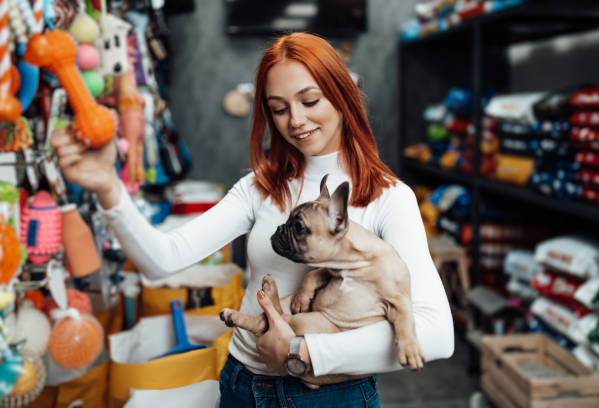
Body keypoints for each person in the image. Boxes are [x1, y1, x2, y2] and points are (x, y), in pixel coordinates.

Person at [51, 32, 454, 407]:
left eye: (310, 101)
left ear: (343, 96)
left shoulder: (388, 198)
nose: (295, 120)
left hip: (331, 395)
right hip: (242, 385)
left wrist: (306, 353)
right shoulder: (259, 188)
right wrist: (108, 189)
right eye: (279, 109)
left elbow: (436, 334)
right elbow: (165, 258)